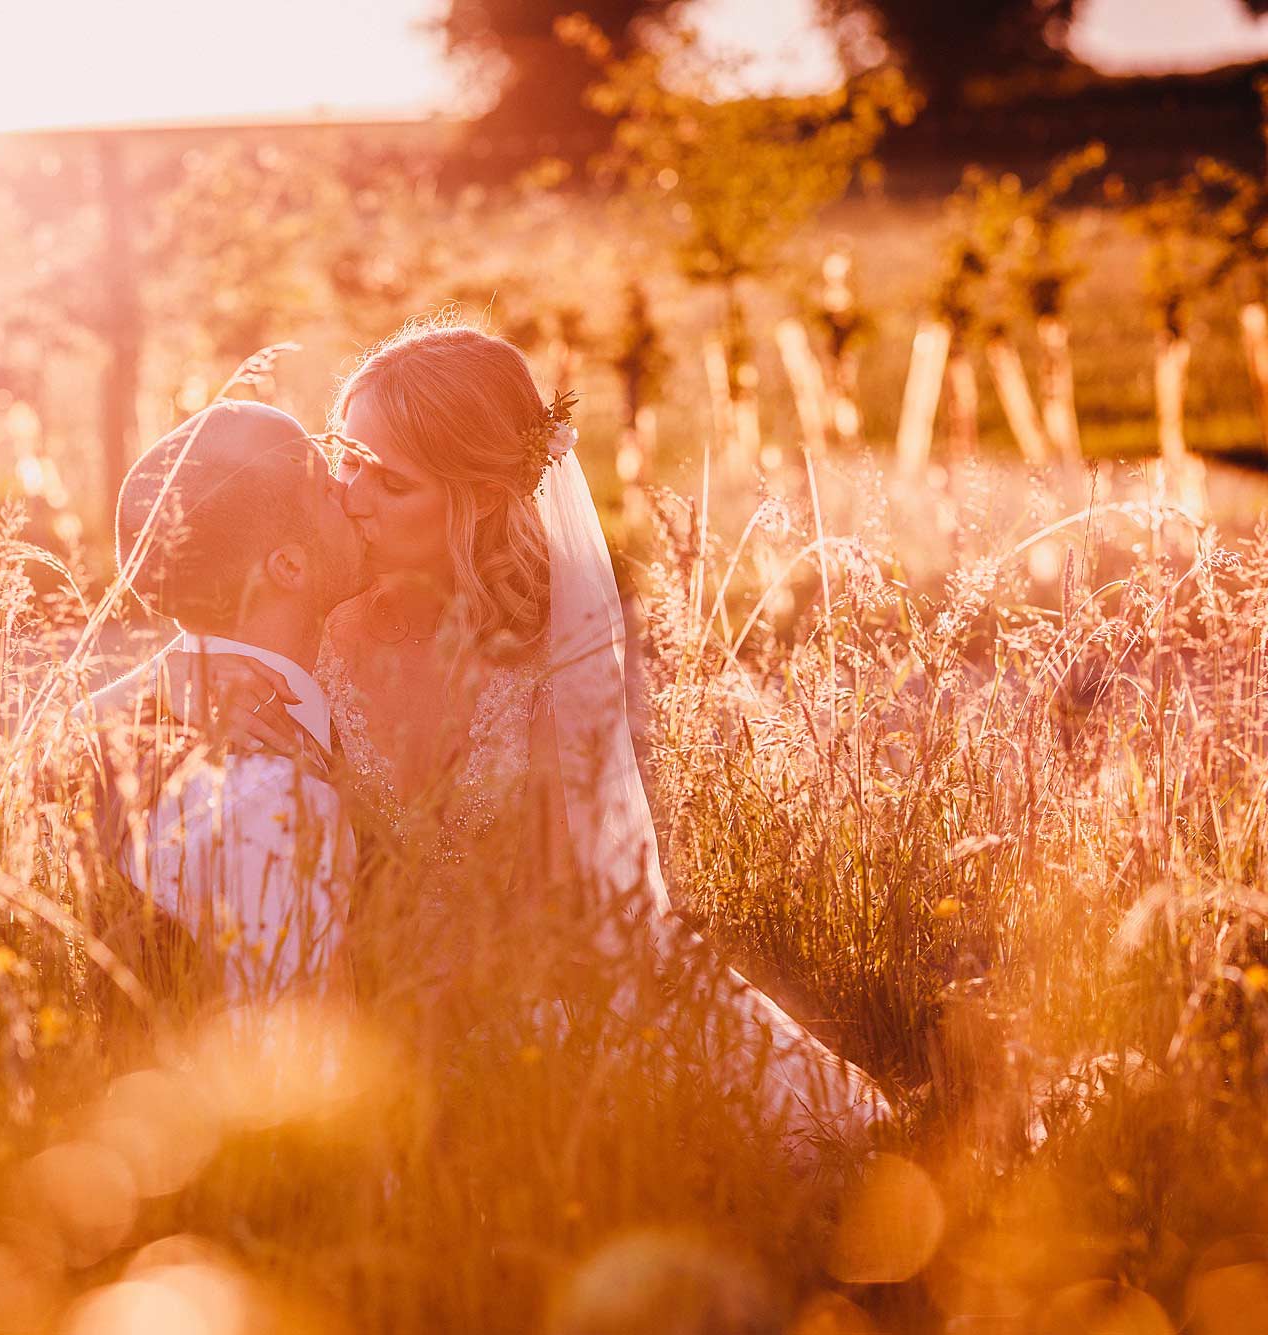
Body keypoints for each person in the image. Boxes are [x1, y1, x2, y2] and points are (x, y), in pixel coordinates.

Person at [164, 318, 891, 1158]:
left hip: (531, 982)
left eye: (390, 481)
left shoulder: (553, 641)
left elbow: (568, 914)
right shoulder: (317, 604)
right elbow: (165, 664)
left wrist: (432, 1010)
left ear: (474, 501)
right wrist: (197, 685)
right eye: (346, 455)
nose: (351, 493)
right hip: (356, 984)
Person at [87, 399, 368, 1005]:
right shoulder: (271, 799)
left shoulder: (137, 733)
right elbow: (296, 1058)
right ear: (288, 565)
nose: (352, 494)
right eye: (326, 485)